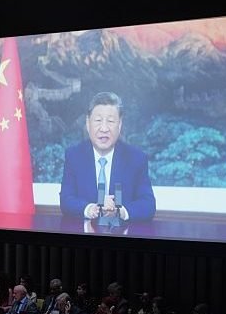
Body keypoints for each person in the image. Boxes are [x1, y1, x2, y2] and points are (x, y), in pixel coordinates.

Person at [60, 92, 156, 221]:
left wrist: (120, 212)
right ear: (88, 123)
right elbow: (66, 200)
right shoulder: (74, 156)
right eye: (98, 121)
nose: (104, 128)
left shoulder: (136, 158)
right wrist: (90, 208)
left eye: (110, 121)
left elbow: (148, 204)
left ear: (119, 125)